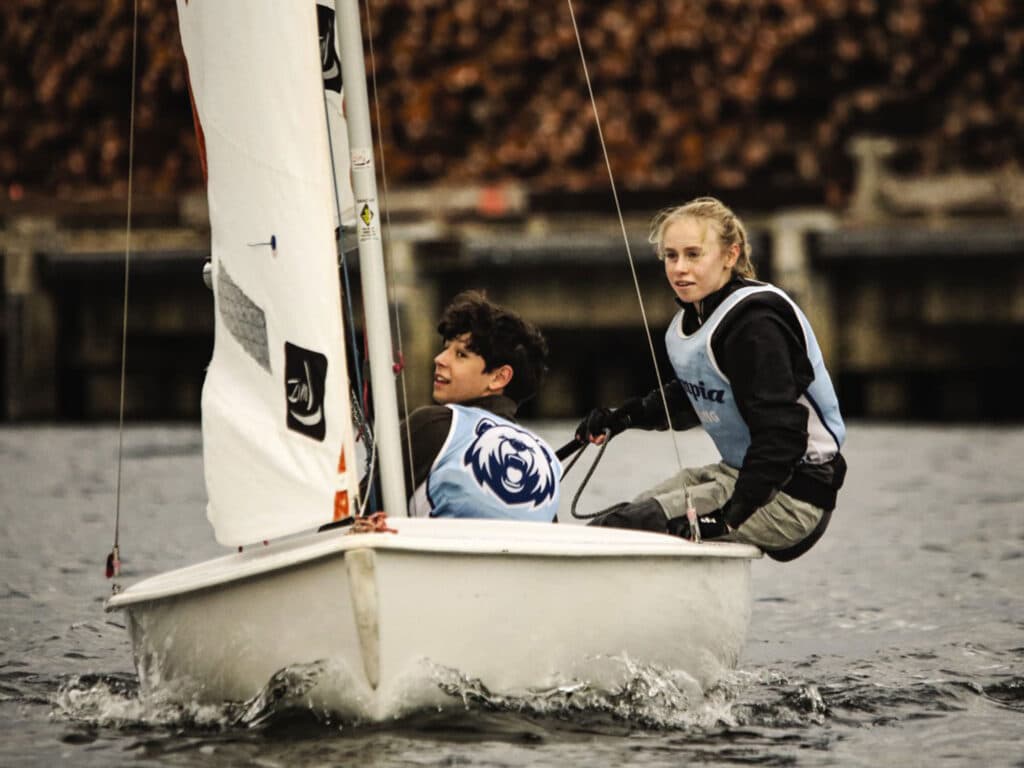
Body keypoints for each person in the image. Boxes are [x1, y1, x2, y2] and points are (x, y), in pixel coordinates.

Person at [577, 197, 846, 561]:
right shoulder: (697, 320)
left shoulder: (755, 326)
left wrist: (725, 521)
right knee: (617, 523)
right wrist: (620, 418)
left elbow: (782, 436)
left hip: (793, 498)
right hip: (737, 476)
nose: (679, 269)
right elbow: (693, 397)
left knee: (635, 525)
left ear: (730, 255)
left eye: (693, 254)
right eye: (671, 256)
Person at [380, 290, 561, 522]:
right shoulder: (547, 460)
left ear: (498, 378)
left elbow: (355, 513)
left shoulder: (433, 425)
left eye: (460, 354)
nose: (440, 359)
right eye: (446, 348)